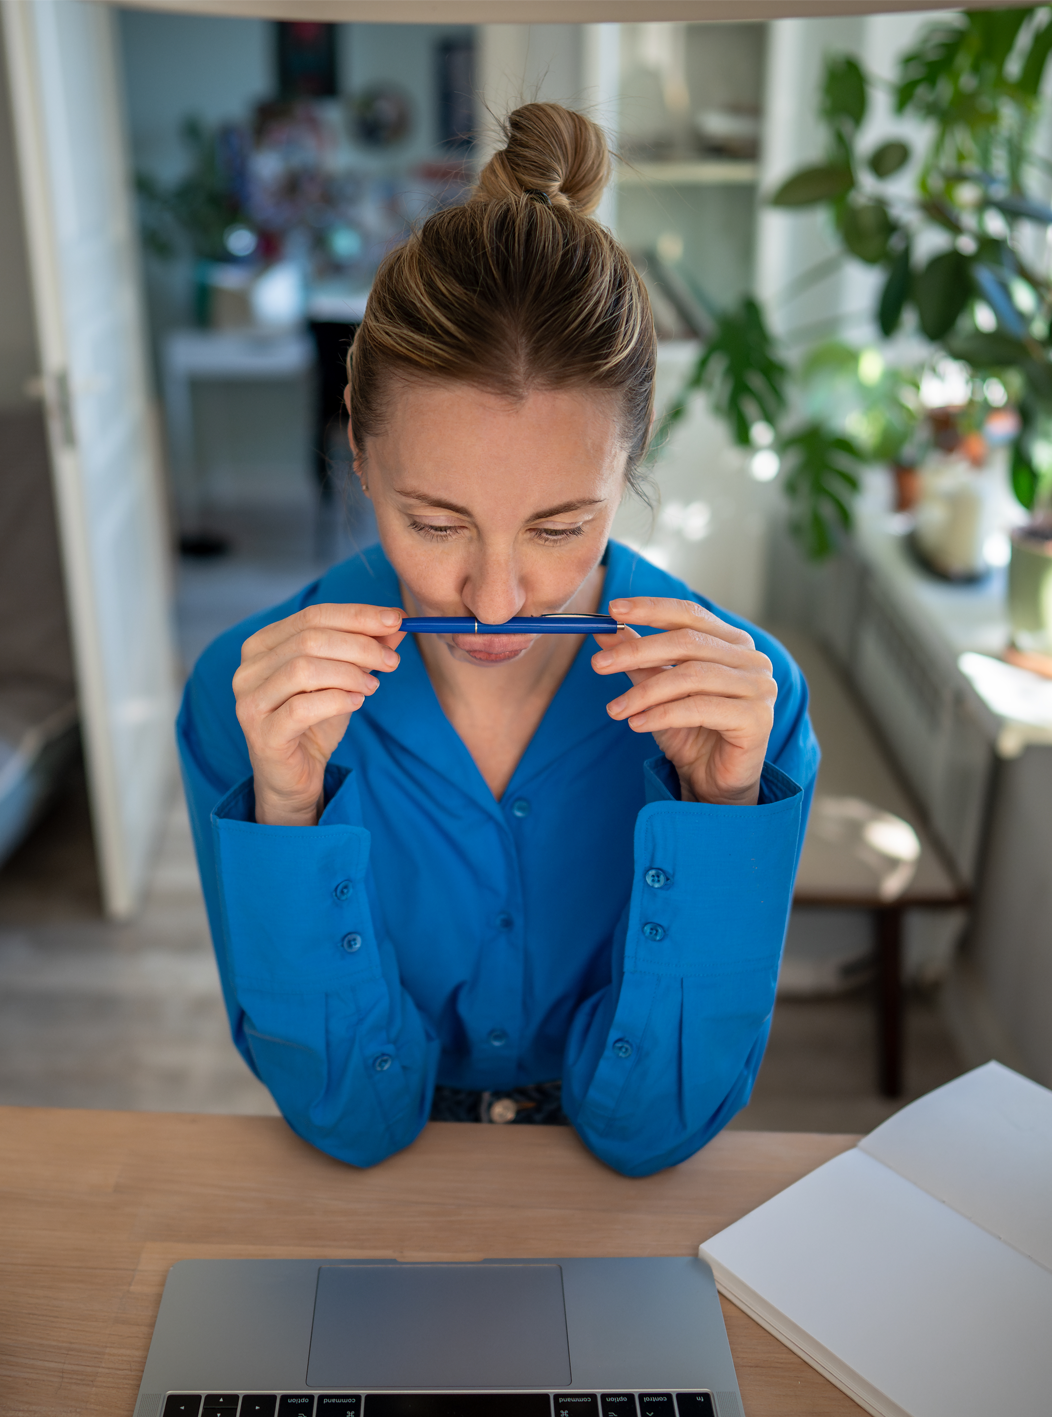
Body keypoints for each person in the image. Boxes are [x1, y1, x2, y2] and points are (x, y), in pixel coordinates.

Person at [177, 103, 819, 1178]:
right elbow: (348, 1122)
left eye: (560, 528)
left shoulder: (753, 708)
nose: (494, 602)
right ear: (357, 439)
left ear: (631, 460)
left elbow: (656, 1131)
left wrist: (720, 813)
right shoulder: (238, 697)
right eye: (436, 525)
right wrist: (287, 810)